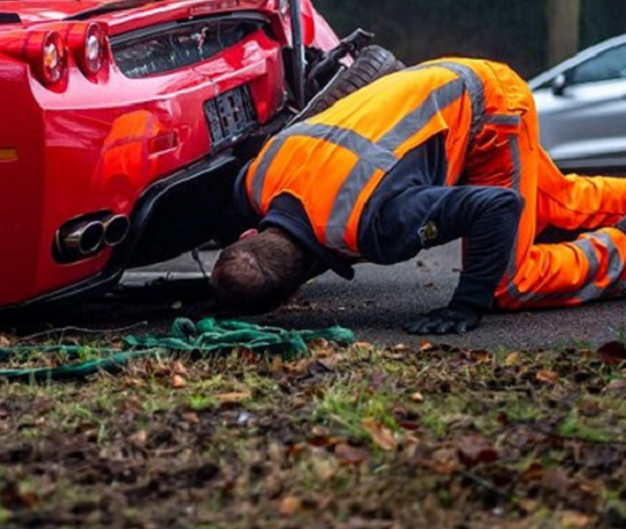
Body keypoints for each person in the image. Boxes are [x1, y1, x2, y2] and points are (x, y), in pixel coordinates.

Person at [211, 57, 626, 335]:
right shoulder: (254, 182)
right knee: (556, 201)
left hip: (489, 109)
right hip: (436, 80)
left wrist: (466, 305)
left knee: (507, 285)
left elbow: (496, 208)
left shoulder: (375, 224)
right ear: (248, 235)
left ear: (294, 291)